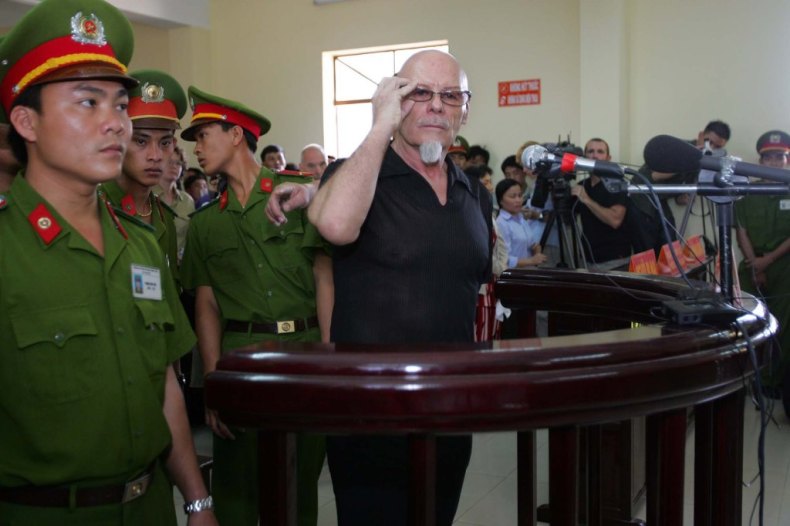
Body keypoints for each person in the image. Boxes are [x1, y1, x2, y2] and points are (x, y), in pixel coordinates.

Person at [0, 1, 216, 524]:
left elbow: (163, 379)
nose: (115, 124)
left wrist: (197, 500)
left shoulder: (140, 243)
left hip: (150, 508)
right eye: (87, 103)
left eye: (119, 105)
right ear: (26, 121)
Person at [307, 49, 491, 526]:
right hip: (370, 412)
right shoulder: (357, 174)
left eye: (450, 96)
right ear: (393, 101)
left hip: (449, 410)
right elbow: (333, 224)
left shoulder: (475, 193)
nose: (435, 106)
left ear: (464, 110)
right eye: (418, 93)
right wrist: (378, 128)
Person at [179, 86, 333, 526]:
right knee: (237, 492)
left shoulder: (299, 195)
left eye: (204, 134)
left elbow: (325, 276)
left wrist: (329, 351)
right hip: (240, 358)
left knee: (298, 489)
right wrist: (213, 381)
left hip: (304, 352)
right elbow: (206, 306)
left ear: (235, 135)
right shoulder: (206, 223)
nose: (197, 147)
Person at [100, 69, 187, 287]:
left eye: (165, 143)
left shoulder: (163, 216)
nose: (155, 156)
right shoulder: (95, 208)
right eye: (140, 141)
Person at [735, 130, 790, 397]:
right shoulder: (747, 190)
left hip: (784, 267)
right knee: (751, 323)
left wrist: (767, 261)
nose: (776, 162)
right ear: (761, 161)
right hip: (751, 266)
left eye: (781, 157)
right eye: (770, 158)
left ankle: (773, 382)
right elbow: (741, 230)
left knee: (783, 326)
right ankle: (749, 378)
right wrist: (755, 264)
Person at [571, 138, 631, 270]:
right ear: (584, 157)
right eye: (590, 151)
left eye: (600, 152)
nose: (594, 155)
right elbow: (567, 218)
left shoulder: (617, 184)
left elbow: (615, 220)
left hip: (615, 261)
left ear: (608, 158)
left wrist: (587, 199)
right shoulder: (582, 186)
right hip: (587, 260)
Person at [156, 145, 195, 263]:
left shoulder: (188, 200)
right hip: (151, 264)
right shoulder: (145, 195)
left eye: (178, 163)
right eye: (169, 162)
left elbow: (191, 238)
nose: (174, 166)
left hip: (180, 267)